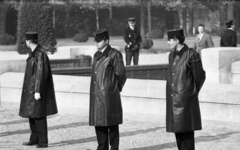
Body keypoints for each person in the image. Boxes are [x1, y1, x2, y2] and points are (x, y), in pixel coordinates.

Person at [166, 29, 206, 150]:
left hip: (186, 101)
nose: (168, 43)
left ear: (177, 40)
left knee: (187, 134)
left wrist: (190, 92)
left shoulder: (191, 54)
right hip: (174, 101)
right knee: (178, 134)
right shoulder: (171, 55)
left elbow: (199, 76)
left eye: (170, 40)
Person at [89, 29, 127, 150]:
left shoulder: (114, 54)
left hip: (108, 94)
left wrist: (115, 88)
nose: (97, 43)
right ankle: (102, 147)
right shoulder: (96, 55)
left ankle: (114, 148)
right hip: (97, 93)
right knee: (99, 122)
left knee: (112, 123)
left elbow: (121, 74)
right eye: (96, 41)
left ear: (106, 40)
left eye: (99, 41)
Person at [19, 32, 58, 148]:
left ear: (28, 41)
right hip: (31, 90)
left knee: (39, 115)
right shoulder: (34, 54)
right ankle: (34, 138)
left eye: (26, 40)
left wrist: (37, 90)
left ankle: (43, 141)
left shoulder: (40, 54)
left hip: (35, 90)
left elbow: (40, 74)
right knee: (32, 114)